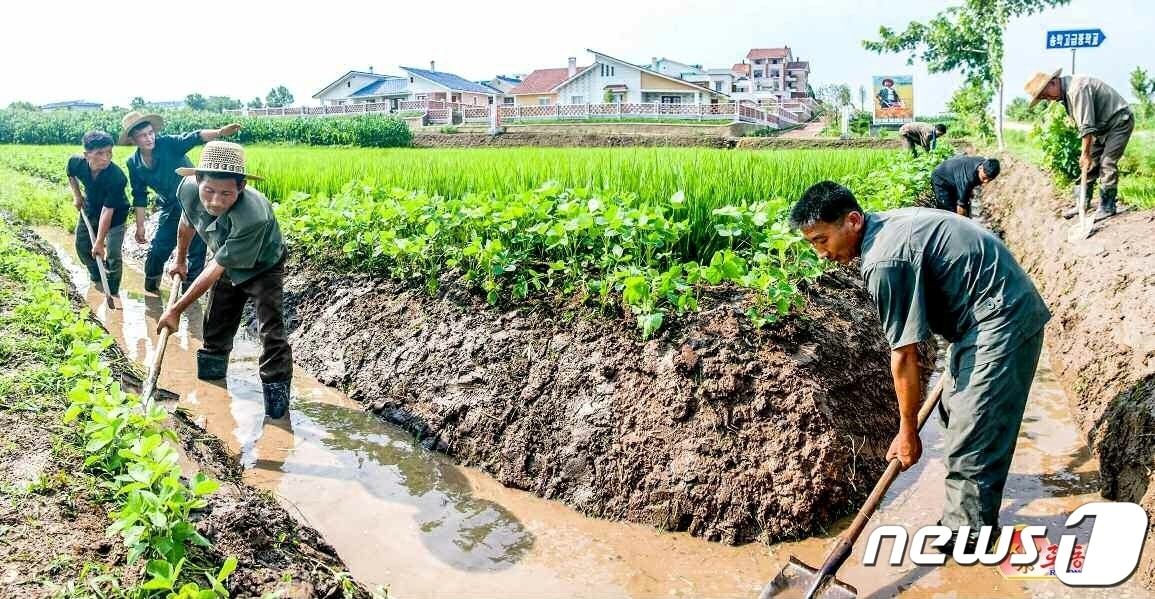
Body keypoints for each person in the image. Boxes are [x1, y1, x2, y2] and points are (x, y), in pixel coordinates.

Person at [789, 181, 1051, 554]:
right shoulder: (883, 229)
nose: (820, 253)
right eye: (812, 243)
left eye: (821, 240)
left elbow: (906, 356)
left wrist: (907, 432)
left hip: (1001, 317)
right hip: (979, 315)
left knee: (972, 431)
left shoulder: (884, 260)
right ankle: (975, 483)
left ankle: (968, 536)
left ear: (852, 221)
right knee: (953, 415)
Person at [155, 141, 292, 419]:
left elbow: (216, 267)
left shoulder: (253, 215)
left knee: (270, 331)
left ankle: (277, 413)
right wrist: (180, 259)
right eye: (209, 191)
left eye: (226, 193)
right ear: (197, 181)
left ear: (241, 188)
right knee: (215, 324)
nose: (215, 201)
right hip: (225, 260)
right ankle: (211, 394)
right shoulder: (190, 190)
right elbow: (186, 224)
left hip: (263, 266)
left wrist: (175, 310)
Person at [121, 111, 241, 293]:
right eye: (142, 135)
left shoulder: (168, 144)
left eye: (150, 133)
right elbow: (139, 195)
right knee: (156, 251)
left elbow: (194, 137)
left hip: (195, 202)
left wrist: (219, 132)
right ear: (132, 139)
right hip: (170, 206)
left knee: (195, 252)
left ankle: (188, 297)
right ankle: (151, 292)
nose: (149, 138)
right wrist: (140, 226)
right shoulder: (133, 163)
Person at [1024, 68, 1134, 219]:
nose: (1048, 99)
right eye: (1043, 98)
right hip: (1101, 127)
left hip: (1118, 121)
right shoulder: (1065, 93)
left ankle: (1107, 206)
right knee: (1089, 165)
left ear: (1053, 82)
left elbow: (1086, 126)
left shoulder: (1076, 90)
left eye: (1046, 94)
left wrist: (1085, 153)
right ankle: (1082, 204)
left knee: (1107, 162)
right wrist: (1087, 156)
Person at [67, 130, 130, 296]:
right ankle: (97, 275)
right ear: (86, 155)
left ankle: (113, 290)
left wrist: (100, 241)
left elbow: (107, 211)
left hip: (115, 214)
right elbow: (70, 174)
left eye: (109, 152)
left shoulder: (117, 177)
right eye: (99, 153)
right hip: (90, 208)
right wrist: (77, 195)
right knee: (82, 246)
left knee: (113, 254)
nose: (105, 158)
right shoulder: (76, 162)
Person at [930, 156, 1000, 218]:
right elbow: (960, 207)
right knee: (949, 213)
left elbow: (967, 192)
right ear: (980, 168)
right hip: (940, 178)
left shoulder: (986, 164)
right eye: (984, 178)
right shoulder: (968, 179)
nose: (986, 181)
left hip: (956, 177)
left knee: (964, 204)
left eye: (989, 179)